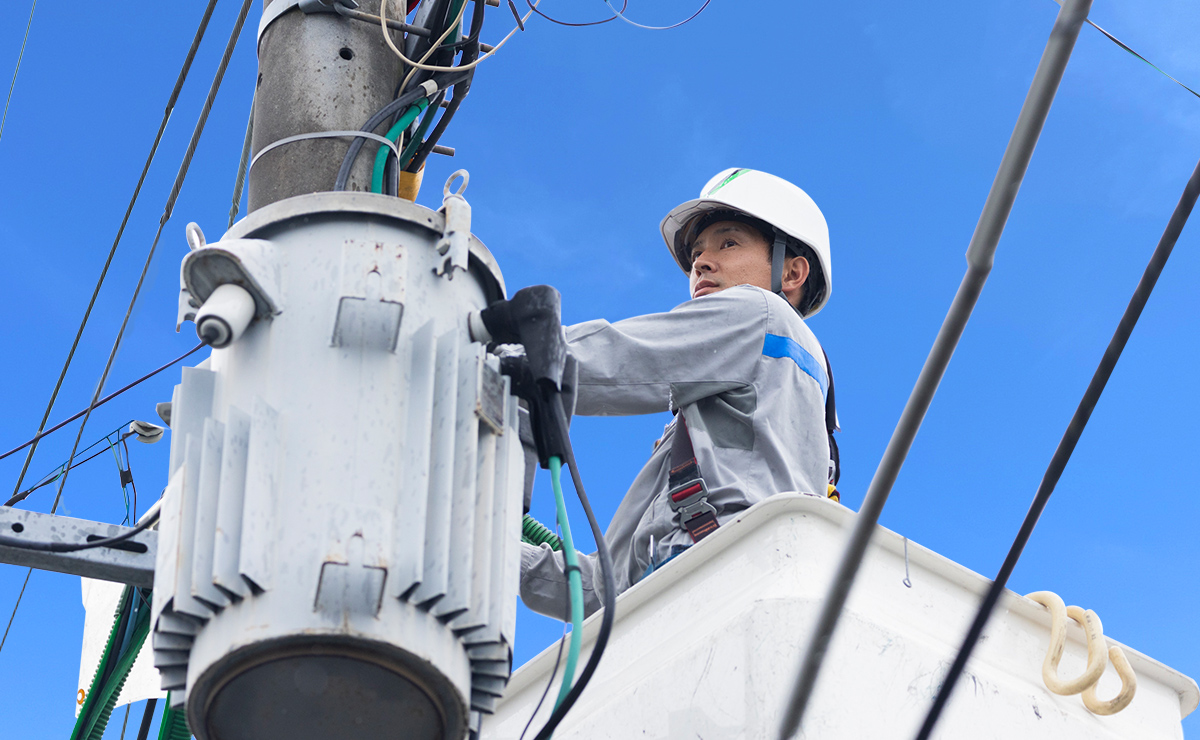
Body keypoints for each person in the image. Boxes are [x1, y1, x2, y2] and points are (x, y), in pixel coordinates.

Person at [520, 168, 838, 618]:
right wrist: (487, 546)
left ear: (791, 271)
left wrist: (490, 349)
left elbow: (607, 358)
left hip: (716, 585)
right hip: (692, 605)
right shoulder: (728, 420)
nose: (701, 263)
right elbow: (602, 590)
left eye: (728, 243)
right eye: (696, 254)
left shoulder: (761, 313)